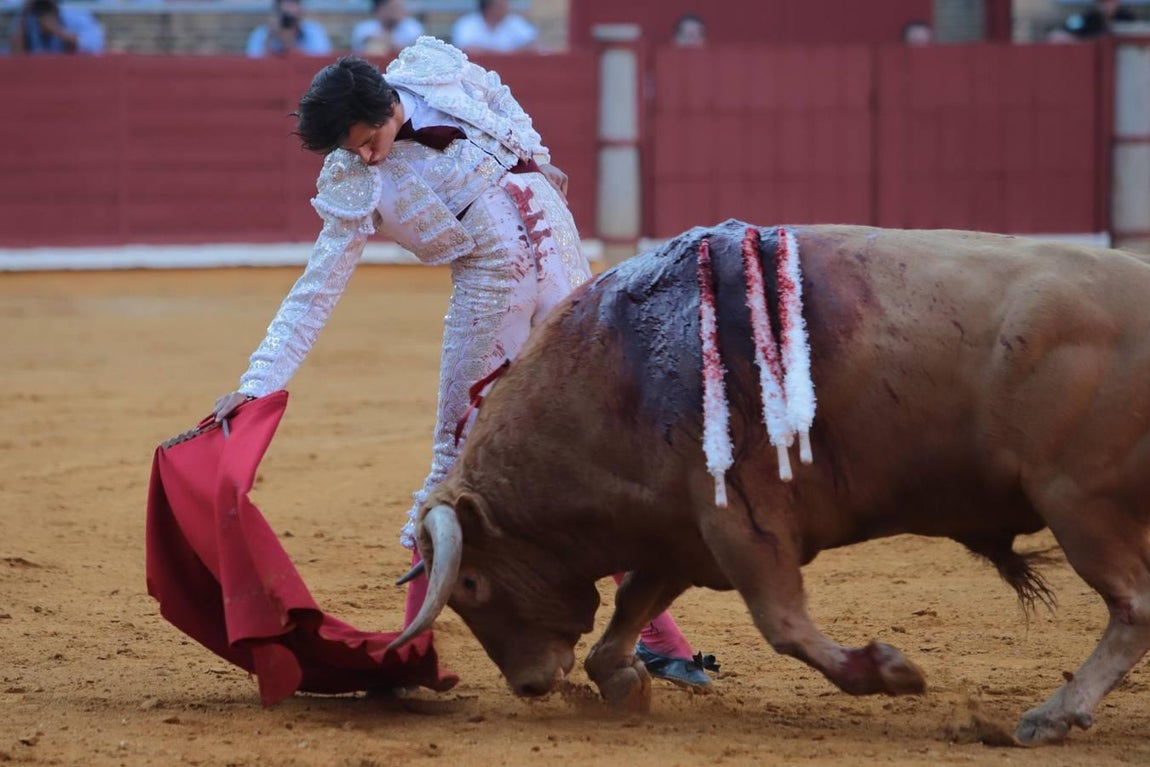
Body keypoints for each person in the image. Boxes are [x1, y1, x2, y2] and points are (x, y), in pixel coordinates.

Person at [210, 39, 715, 689]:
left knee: (601, 438)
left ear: (388, 104)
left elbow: (497, 92)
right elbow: (317, 288)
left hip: (556, 245)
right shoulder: (354, 176)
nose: (365, 158)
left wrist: (537, 158)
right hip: (490, 281)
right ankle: (412, 648)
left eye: (368, 141)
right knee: (456, 457)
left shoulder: (430, 70)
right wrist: (258, 384)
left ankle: (657, 637)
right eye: (352, 151)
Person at [9, 0, 103, 54]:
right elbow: (15, 56)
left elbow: (95, 45)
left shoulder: (76, 17)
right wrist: (25, 13)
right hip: (36, 72)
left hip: (70, 71)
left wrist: (57, 31)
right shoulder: (25, 19)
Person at [246, 0, 332, 58]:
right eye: (286, 17)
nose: (290, 22)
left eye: (294, 16)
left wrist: (290, 45)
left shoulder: (314, 32)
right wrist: (270, 38)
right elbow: (253, 65)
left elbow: (321, 62)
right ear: (277, 14)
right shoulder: (261, 34)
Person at [450, 0, 537, 54]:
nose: (507, 8)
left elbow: (533, 45)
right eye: (501, 6)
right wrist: (507, 54)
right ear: (488, 7)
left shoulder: (515, 22)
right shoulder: (467, 23)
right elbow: (467, 49)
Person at [350, 0, 423, 56]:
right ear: (380, 9)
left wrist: (388, 43)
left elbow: (415, 53)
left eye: (400, 7)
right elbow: (359, 51)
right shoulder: (363, 28)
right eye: (393, 8)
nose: (399, 11)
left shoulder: (412, 27)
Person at [1064, 0, 1136, 39]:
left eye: (1110, 1)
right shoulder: (1087, 18)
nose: (1107, 6)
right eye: (1103, 2)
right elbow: (1069, 28)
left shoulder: (1127, 18)